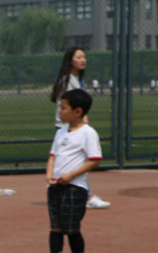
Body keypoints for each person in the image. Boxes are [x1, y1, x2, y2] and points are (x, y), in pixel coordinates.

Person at [46, 89, 102, 253]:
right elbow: (52, 156)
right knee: (56, 227)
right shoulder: (61, 133)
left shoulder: (88, 133)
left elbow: (94, 160)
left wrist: (70, 176)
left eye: (63, 108)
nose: (60, 111)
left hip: (74, 188)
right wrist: (49, 175)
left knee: (71, 228)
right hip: (55, 188)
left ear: (78, 111)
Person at [50, 47, 109, 210]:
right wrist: (79, 120)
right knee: (72, 161)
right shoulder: (67, 79)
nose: (83, 60)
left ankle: (83, 194)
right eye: (79, 57)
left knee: (77, 161)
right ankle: (86, 196)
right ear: (70, 60)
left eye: (84, 57)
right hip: (66, 126)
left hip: (72, 125)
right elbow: (65, 104)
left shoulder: (74, 78)